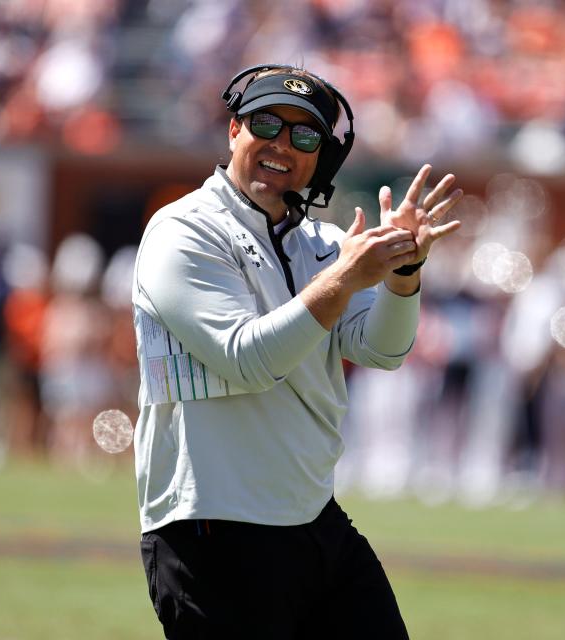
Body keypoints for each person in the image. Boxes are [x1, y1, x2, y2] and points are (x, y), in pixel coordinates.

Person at [132, 64, 462, 639]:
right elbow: (245, 358)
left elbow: (383, 351)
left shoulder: (326, 243)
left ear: (321, 159)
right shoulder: (182, 230)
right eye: (267, 123)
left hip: (313, 519)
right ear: (234, 128)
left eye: (305, 135)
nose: (283, 144)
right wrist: (346, 279)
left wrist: (403, 275)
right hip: (213, 528)